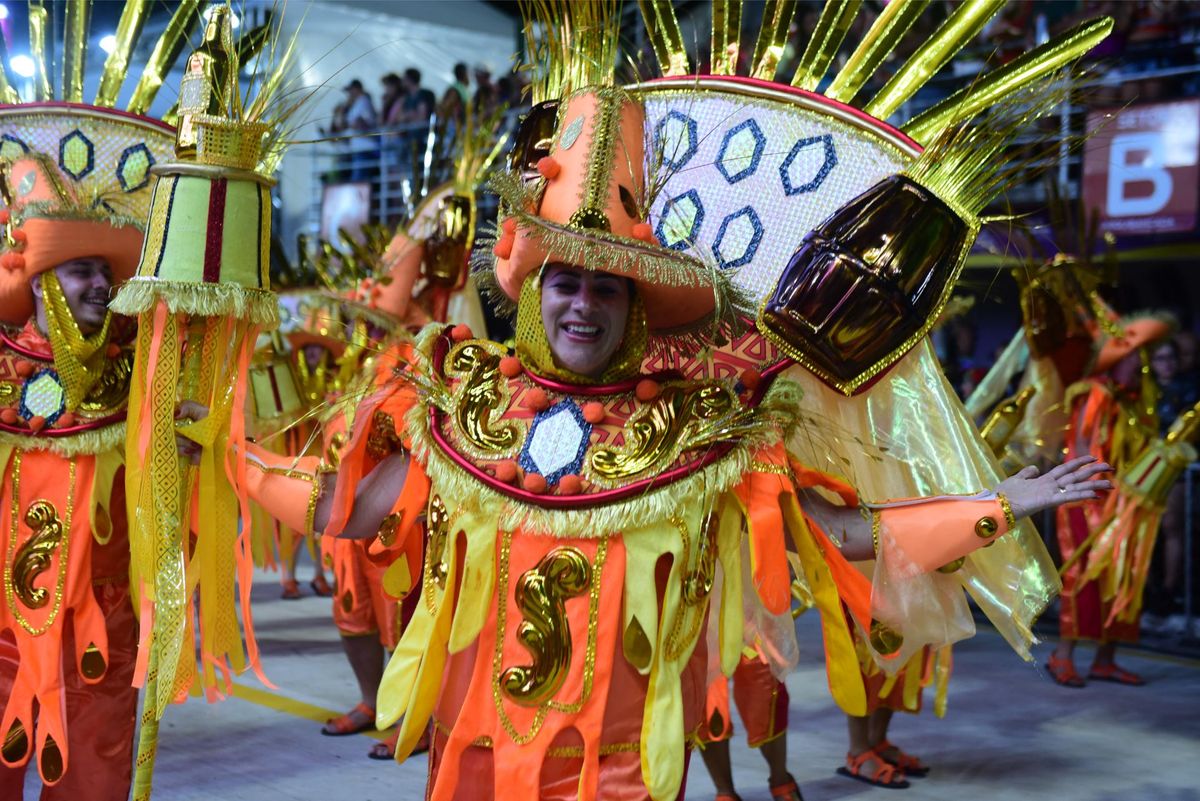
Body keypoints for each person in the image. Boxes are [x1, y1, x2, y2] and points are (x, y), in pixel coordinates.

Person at [240, 46, 1109, 801]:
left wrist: (998, 505)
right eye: (566, 282)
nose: (583, 304)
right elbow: (343, 510)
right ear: (535, 293)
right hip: (475, 763)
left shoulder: (697, 435)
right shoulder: (466, 411)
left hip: (620, 771)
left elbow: (842, 532)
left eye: (606, 287)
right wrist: (223, 455)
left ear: (636, 308)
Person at [0, 137, 182, 799]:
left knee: (93, 783)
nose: (102, 285)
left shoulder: (144, 375)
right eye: (82, 271)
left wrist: (180, 446)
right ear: (41, 281)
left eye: (106, 272)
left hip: (103, 631)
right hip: (2, 624)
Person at [1048, 315, 1174, 687]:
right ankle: (1062, 655)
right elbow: (1083, 447)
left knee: (1122, 577)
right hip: (1087, 498)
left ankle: (1105, 660)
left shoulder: (1136, 402)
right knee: (1083, 574)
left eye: (1143, 355)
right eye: (1135, 355)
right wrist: (1103, 489)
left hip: (1123, 503)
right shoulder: (1095, 392)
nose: (1141, 363)